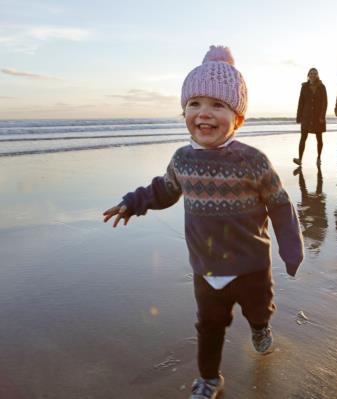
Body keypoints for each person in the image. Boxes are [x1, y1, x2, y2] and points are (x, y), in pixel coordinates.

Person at [102, 45, 304, 399]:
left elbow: (280, 205)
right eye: (194, 104)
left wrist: (291, 248)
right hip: (207, 268)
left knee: (259, 308)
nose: (204, 113)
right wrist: (133, 203)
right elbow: (164, 190)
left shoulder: (253, 161)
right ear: (184, 113)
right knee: (209, 326)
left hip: (253, 265)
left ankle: (260, 327)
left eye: (217, 105)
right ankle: (209, 378)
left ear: (237, 117)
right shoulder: (182, 160)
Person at [294, 67, 328, 166]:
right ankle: (300, 159)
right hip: (306, 116)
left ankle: (318, 158)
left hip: (318, 116)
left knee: (319, 138)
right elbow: (301, 102)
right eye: (311, 73)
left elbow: (325, 102)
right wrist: (298, 116)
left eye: (315, 73)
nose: (313, 75)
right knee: (303, 137)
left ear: (317, 75)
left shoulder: (322, 87)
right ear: (308, 75)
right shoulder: (304, 87)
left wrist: (322, 115)